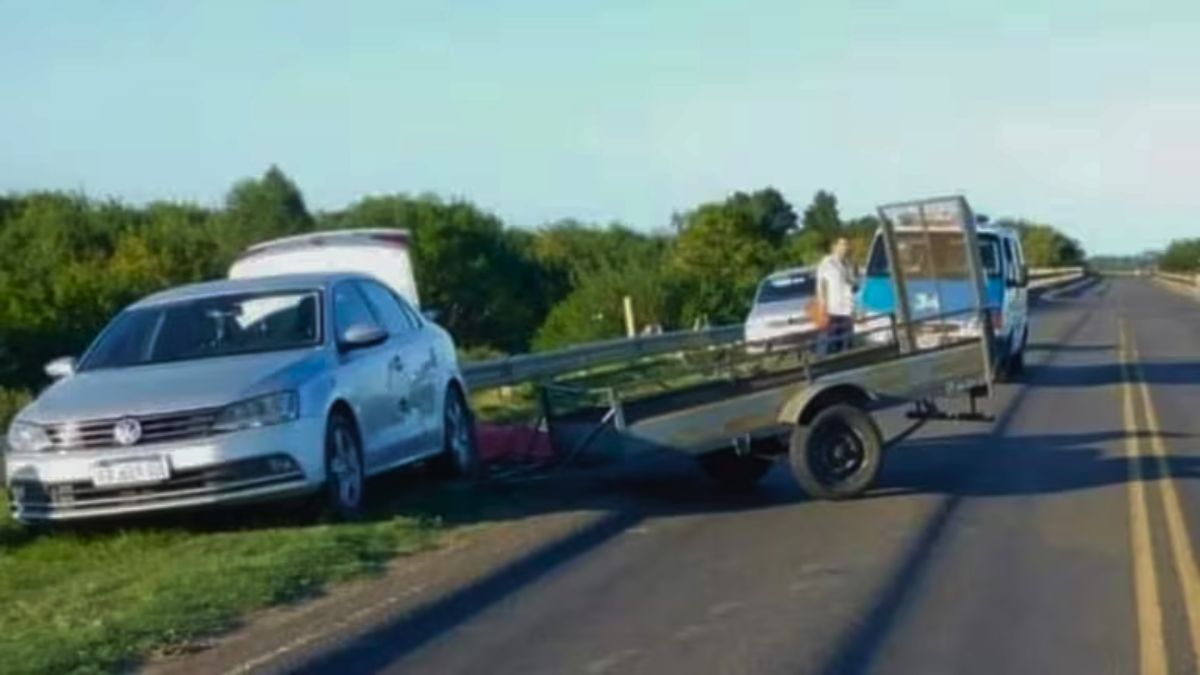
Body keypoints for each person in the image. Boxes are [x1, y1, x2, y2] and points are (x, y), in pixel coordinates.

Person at [817, 236, 857, 354]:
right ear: (835, 247)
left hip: (847, 309)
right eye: (842, 244)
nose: (845, 247)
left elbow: (852, 284)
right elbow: (822, 284)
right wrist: (822, 304)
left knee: (847, 343)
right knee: (831, 341)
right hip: (833, 309)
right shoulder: (828, 262)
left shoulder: (848, 264)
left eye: (847, 245)